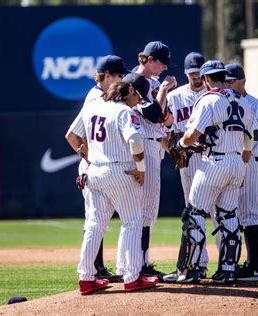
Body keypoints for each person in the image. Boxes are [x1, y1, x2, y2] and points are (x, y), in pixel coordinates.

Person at [165, 60, 258, 284]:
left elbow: (190, 137)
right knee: (228, 215)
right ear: (224, 77)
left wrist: (180, 146)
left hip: (214, 163)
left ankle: (191, 270)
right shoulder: (243, 102)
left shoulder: (208, 100)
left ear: (206, 78)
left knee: (195, 214)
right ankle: (228, 270)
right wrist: (241, 166)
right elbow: (250, 140)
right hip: (237, 162)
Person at [65, 73, 159, 294]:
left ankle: (86, 278)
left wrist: (89, 158)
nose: (140, 102)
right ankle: (132, 276)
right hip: (121, 171)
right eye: (140, 97)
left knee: (94, 225)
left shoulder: (93, 106)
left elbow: (72, 135)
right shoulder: (125, 112)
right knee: (132, 222)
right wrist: (141, 169)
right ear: (132, 91)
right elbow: (135, 140)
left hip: (95, 172)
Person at [116, 41, 177, 279]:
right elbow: (153, 116)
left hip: (155, 145)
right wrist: (163, 91)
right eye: (161, 62)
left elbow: (165, 118)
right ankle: (136, 264)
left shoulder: (149, 82)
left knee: (147, 211)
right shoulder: (134, 82)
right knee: (143, 211)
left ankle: (139, 262)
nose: (164, 67)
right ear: (149, 60)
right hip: (143, 145)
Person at [75, 55, 129, 283]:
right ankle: (94, 269)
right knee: (96, 221)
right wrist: (87, 158)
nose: (121, 79)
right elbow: (73, 135)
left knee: (97, 221)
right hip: (96, 166)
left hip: (97, 166)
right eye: (118, 75)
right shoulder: (96, 98)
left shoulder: (101, 96)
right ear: (106, 76)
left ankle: (96, 269)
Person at [163, 52, 209, 281]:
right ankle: (197, 262)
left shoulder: (213, 95)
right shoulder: (175, 96)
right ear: (185, 73)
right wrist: (172, 151)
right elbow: (165, 131)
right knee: (192, 210)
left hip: (212, 157)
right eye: (191, 72)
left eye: (199, 72)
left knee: (221, 212)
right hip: (188, 160)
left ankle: (228, 265)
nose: (196, 76)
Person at [225, 63, 258, 281]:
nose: (227, 85)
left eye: (231, 81)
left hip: (251, 163)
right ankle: (241, 264)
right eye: (226, 81)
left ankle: (255, 266)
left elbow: (257, 134)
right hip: (236, 162)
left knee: (250, 214)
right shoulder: (226, 102)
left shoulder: (254, 104)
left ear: (242, 82)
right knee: (237, 216)